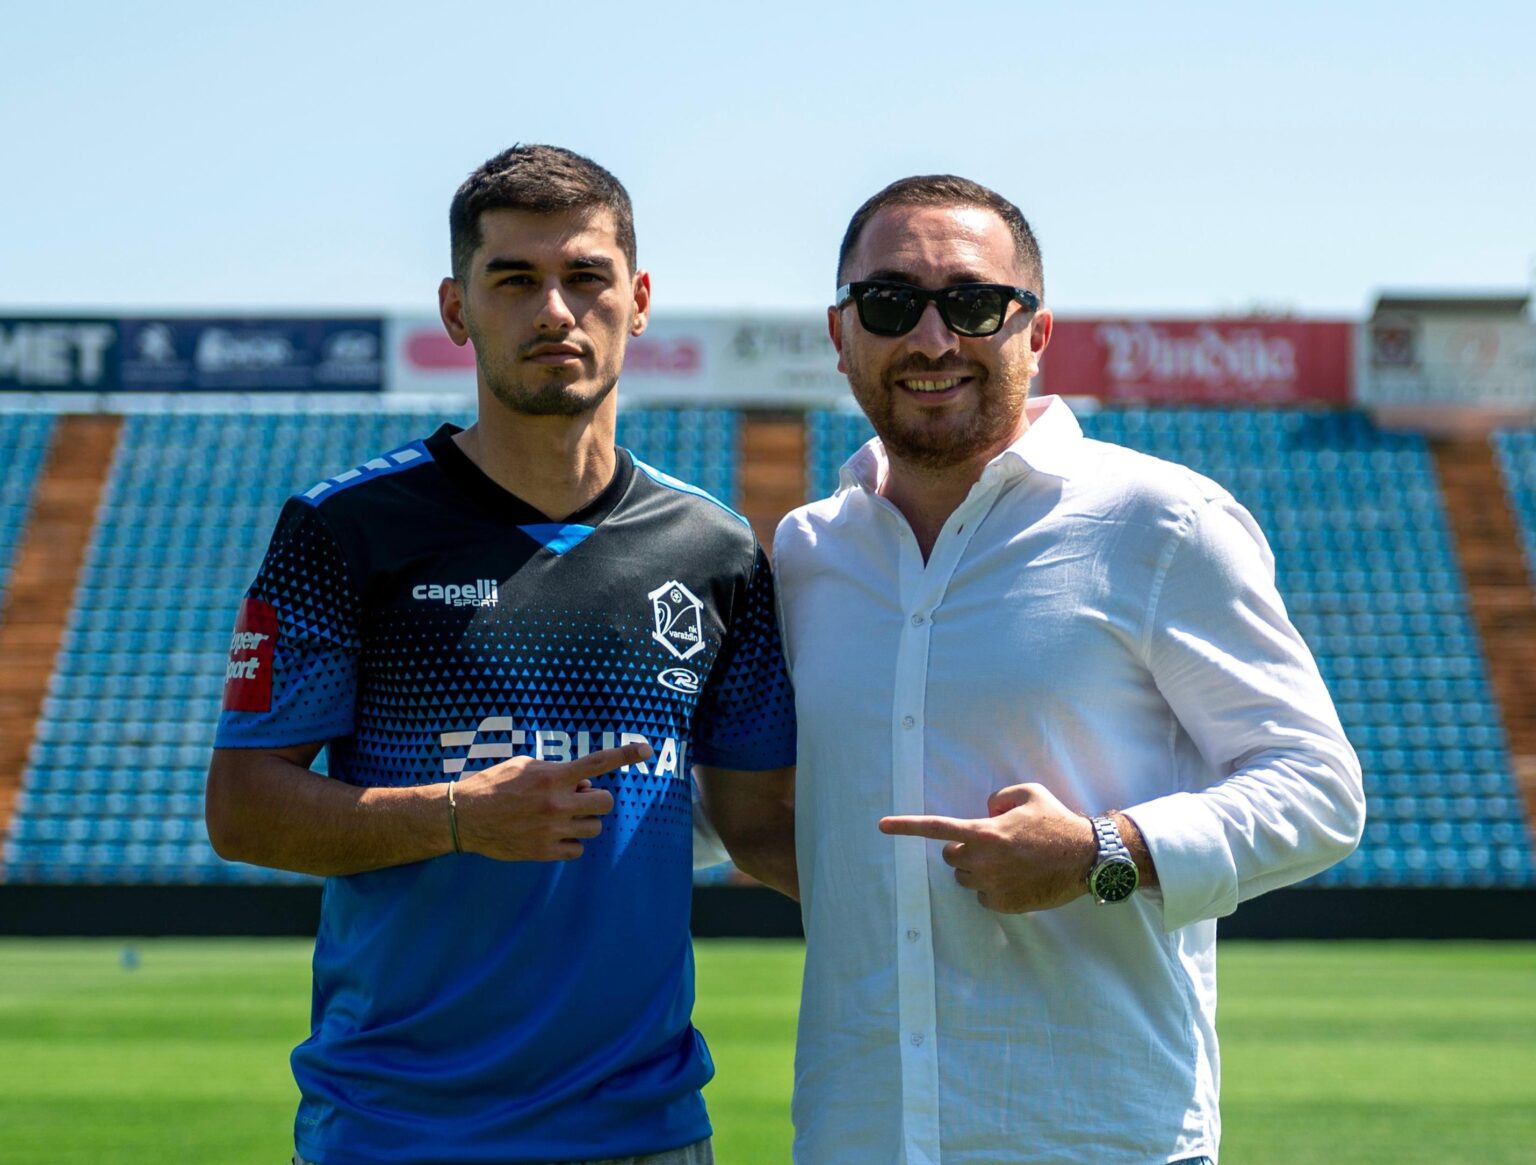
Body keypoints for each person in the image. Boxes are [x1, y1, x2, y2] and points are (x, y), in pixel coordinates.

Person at [206, 144, 797, 1165]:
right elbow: (243, 809)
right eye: (514, 280)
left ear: (638, 301)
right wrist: (456, 816)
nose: (555, 310)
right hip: (396, 1133)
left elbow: (760, 829)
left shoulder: (717, 551)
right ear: (457, 309)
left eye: (586, 277)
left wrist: (955, 892)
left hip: (643, 1131)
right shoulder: (347, 529)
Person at [772, 175, 1365, 1164]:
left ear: (1037, 331)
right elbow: (758, 805)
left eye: (973, 303)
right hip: (858, 1134)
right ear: (841, 333)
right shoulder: (806, 554)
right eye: (890, 302)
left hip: (1098, 1137)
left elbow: (1320, 791)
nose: (932, 338)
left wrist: (1101, 849)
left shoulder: (1163, 523)